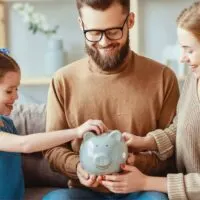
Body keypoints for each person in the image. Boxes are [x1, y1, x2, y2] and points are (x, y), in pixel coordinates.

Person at [43, 0, 180, 199]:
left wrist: (135, 162)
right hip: (85, 192)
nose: (104, 42)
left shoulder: (163, 78)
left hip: (142, 189)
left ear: (130, 21)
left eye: (114, 31)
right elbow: (52, 148)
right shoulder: (63, 80)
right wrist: (78, 167)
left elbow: (173, 147)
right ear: (81, 24)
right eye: (94, 33)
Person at [99, 2, 200, 200]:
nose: (182, 58)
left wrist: (146, 182)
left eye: (189, 50)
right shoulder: (193, 78)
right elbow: (180, 128)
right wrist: (145, 142)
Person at [0, 50, 107, 200]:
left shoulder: (8, 124)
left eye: (17, 89)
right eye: (9, 90)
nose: (16, 96)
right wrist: (76, 132)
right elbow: (25, 144)